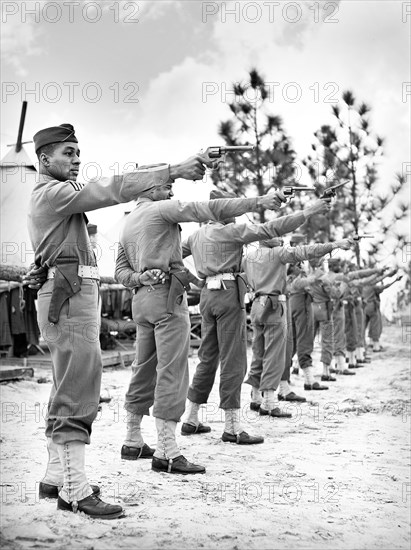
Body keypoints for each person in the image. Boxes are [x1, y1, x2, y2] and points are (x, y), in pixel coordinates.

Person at [28, 123, 209, 518]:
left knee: (67, 384)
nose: (77, 161)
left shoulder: (53, 196)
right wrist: (173, 171)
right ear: (44, 159)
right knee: (79, 388)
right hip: (70, 297)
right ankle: (75, 490)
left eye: (78, 153)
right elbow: (111, 188)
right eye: (68, 154)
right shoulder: (54, 193)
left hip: (67, 294)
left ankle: (56, 477)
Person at [114, 180, 285, 472]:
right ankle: (168, 451)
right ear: (150, 189)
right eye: (166, 186)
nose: (170, 192)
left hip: (143, 299)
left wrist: (141, 278)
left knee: (144, 367)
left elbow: (120, 270)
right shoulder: (166, 211)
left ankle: (133, 438)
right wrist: (263, 201)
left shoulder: (129, 222)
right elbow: (208, 211)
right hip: (174, 299)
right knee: (175, 370)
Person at [181, 190, 319, 443]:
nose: (236, 215)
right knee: (233, 360)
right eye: (233, 210)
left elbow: (172, 257)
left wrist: (193, 280)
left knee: (207, 358)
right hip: (227, 295)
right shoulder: (230, 232)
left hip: (207, 297)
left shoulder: (195, 235)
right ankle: (232, 427)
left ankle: (191, 417)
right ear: (225, 211)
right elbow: (270, 228)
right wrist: (307, 212)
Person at [243, 232, 353, 414]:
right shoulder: (281, 254)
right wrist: (336, 244)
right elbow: (294, 278)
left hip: (257, 304)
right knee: (277, 352)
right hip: (277, 303)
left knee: (259, 351)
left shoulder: (250, 257)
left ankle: (256, 396)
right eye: (276, 235)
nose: (280, 239)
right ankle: (270, 401)